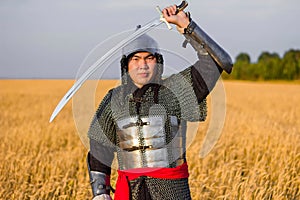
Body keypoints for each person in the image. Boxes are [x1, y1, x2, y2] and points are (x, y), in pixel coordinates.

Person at [86, 4, 233, 200]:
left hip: (171, 191)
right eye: (135, 59)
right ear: (126, 65)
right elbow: (99, 146)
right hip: (130, 191)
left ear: (158, 62)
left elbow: (218, 62)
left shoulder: (176, 91)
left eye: (149, 58)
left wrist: (186, 26)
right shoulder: (114, 99)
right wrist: (100, 193)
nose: (143, 65)